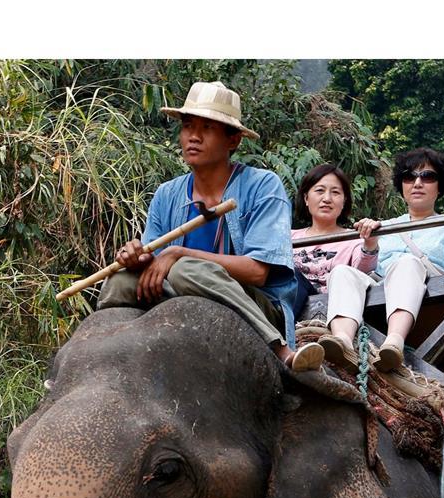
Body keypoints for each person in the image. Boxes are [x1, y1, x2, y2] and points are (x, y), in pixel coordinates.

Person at [98, 81, 322, 372]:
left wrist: (180, 254)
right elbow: (155, 262)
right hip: (179, 289)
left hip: (253, 303)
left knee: (187, 269)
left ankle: (280, 349)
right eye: (188, 126)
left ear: (234, 140)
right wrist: (137, 258)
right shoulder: (167, 193)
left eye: (208, 128)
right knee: (118, 281)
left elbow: (257, 271)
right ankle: (96, 359)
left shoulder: (263, 186)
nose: (194, 136)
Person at [318, 147, 444, 373]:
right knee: (342, 272)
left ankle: (394, 342)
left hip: (429, 297)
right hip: (382, 291)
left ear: (440, 187)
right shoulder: (385, 227)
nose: (417, 183)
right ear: (402, 185)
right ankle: (342, 339)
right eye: (409, 177)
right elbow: (368, 272)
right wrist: (370, 244)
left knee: (407, 263)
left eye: (427, 177)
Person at [290, 163, 378, 301]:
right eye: (320, 191)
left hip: (335, 307)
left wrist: (370, 242)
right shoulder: (288, 237)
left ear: (344, 202)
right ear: (306, 198)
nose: (327, 199)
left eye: (335, 192)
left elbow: (362, 274)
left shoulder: (354, 240)